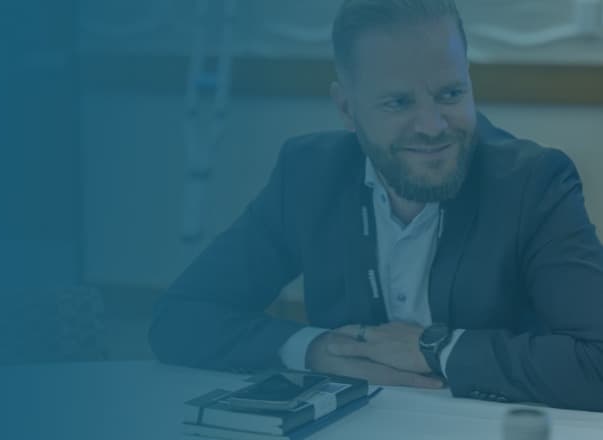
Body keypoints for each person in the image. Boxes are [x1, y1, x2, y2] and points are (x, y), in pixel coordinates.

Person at [148, 0, 603, 411]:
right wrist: (315, 349)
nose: (432, 125)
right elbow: (182, 317)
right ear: (346, 108)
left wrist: (435, 347)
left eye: (450, 93)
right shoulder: (307, 174)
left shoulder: (534, 182)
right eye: (398, 102)